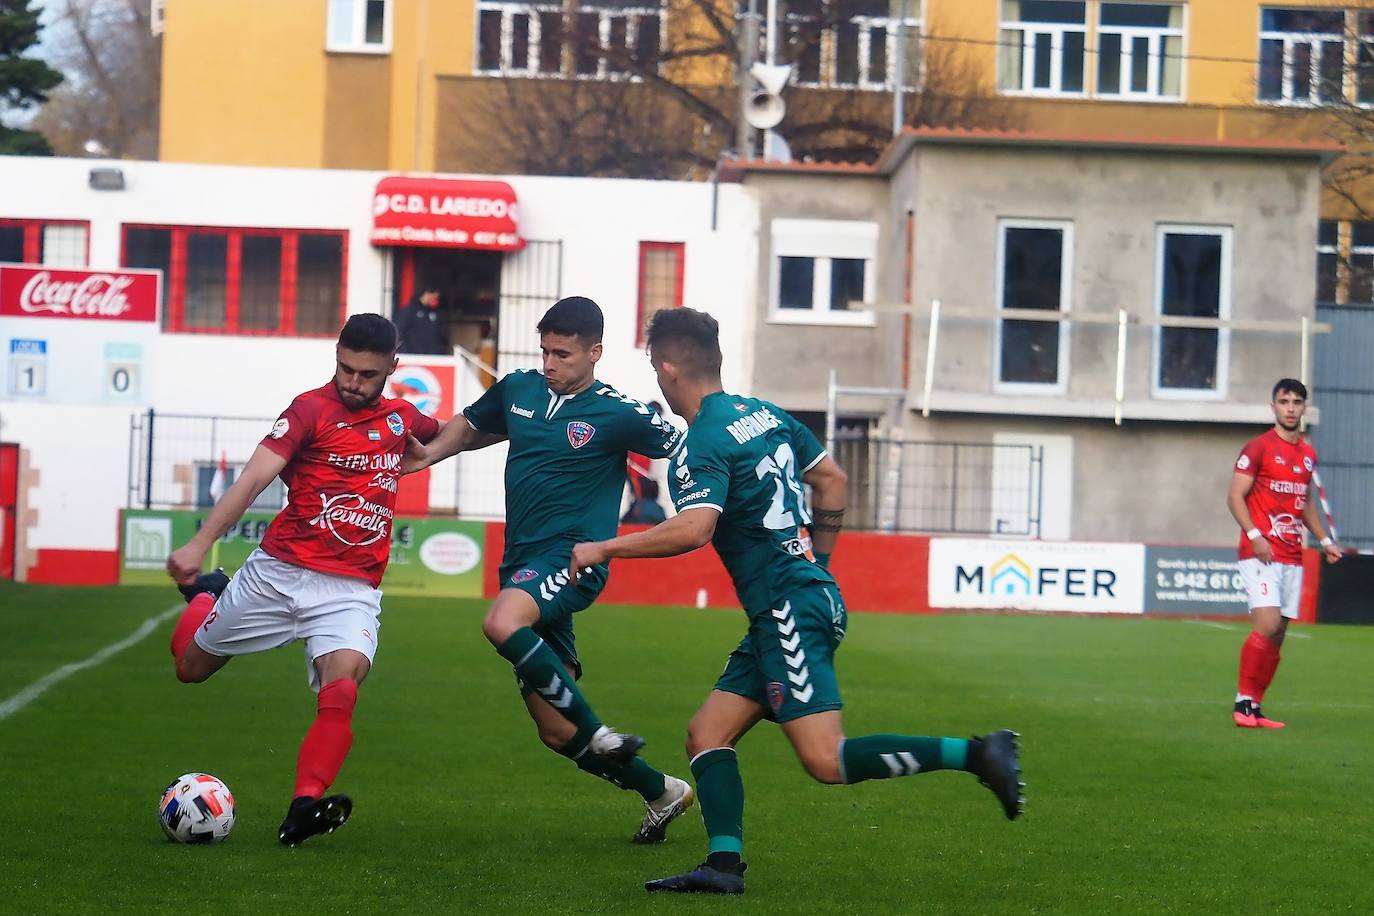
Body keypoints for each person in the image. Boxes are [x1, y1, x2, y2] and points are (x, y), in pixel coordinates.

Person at [570, 307, 1024, 895]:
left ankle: (977, 754)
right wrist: (820, 564)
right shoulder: (766, 415)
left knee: (825, 760)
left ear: (667, 366)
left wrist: (605, 548)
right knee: (707, 734)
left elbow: (695, 529)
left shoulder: (700, 443)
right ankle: (723, 868)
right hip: (792, 601)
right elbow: (831, 479)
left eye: (654, 368)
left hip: (787, 607)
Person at [403, 295, 697, 843]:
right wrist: (425, 457)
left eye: (562, 354)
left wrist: (716, 490)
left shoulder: (618, 412)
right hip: (521, 566)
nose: (549, 364)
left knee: (501, 624)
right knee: (557, 732)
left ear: (595, 353)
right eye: (545, 352)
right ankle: (661, 792)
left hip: (572, 560)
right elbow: (467, 427)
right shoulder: (519, 390)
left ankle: (601, 732)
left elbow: (686, 443)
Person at [165, 313, 442, 846]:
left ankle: (302, 808)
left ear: (392, 368)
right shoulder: (308, 410)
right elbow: (253, 478)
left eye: (366, 374)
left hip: (350, 590)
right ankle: (207, 595)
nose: (353, 382)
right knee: (190, 669)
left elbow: (455, 430)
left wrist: (511, 417)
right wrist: (200, 545)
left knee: (343, 684)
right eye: (345, 368)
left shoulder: (401, 416)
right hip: (277, 574)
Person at [1227, 377, 1341, 729]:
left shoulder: (1307, 454)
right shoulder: (1257, 448)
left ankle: (1254, 707)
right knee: (1269, 623)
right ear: (1273, 406)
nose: (1290, 408)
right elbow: (1234, 497)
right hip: (1260, 552)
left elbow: (1303, 502)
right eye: (1284, 401)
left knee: (1278, 634)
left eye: (1296, 402)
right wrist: (1255, 534)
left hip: (1292, 555)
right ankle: (1242, 702)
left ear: (1304, 407)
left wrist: (1324, 540)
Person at [393, 285, 449, 355]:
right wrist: (404, 352)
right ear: (426, 294)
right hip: (412, 356)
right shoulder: (409, 311)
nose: (434, 301)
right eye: (434, 297)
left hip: (434, 357)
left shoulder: (438, 314)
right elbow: (399, 332)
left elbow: (443, 336)